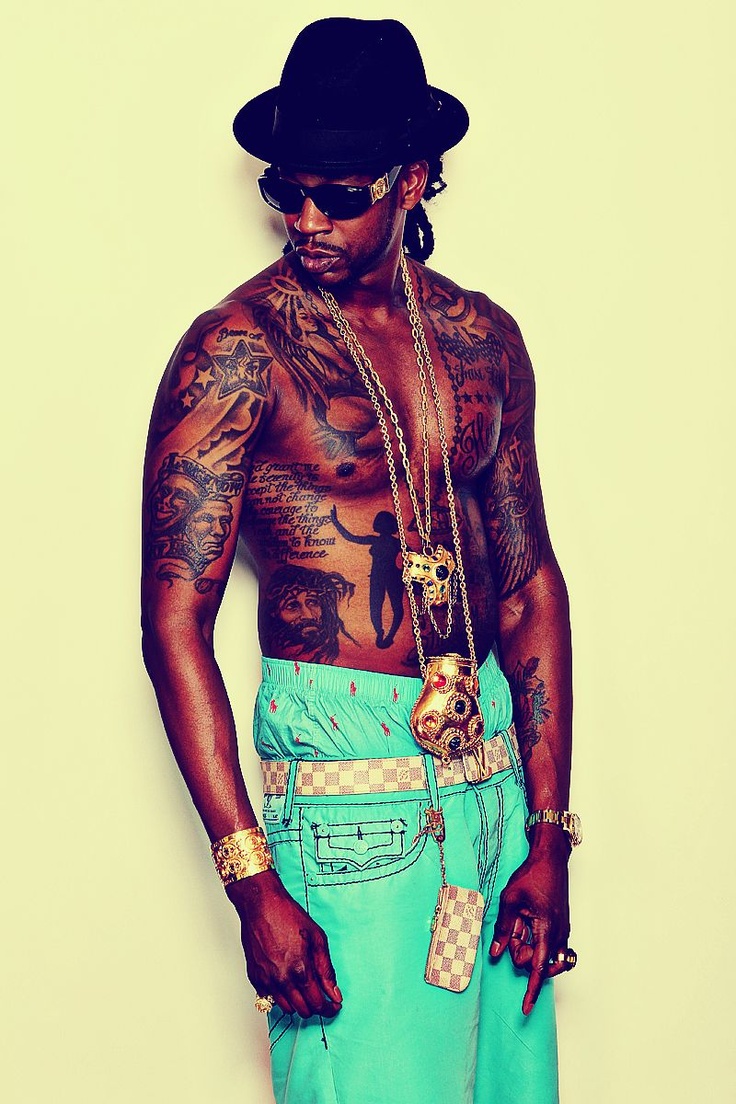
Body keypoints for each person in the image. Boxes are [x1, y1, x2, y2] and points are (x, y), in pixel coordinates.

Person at [141, 17, 580, 1104]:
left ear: (412, 180)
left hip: (493, 788)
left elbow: (528, 583)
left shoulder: (480, 338)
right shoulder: (238, 351)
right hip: (349, 801)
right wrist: (252, 884)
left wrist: (548, 835)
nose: (306, 221)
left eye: (338, 196)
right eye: (285, 193)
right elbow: (173, 625)